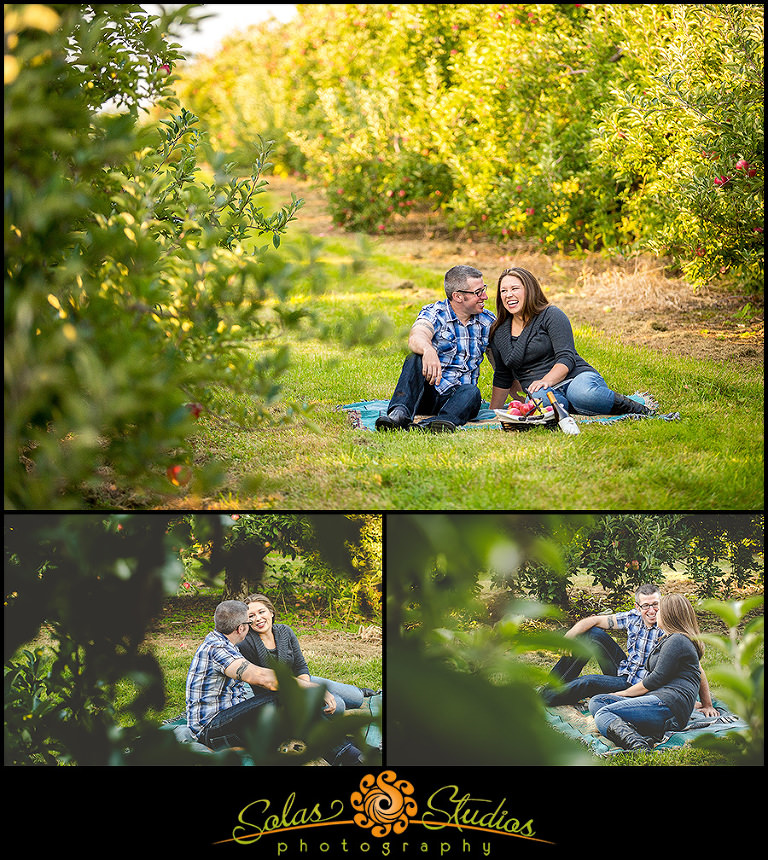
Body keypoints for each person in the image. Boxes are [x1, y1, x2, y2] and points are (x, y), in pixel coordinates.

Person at [185, 599, 364, 764]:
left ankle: (347, 749)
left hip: (227, 720)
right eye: (249, 621)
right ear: (241, 628)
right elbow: (261, 678)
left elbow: (298, 667)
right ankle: (348, 756)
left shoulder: (221, 642)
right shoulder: (218, 649)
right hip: (211, 729)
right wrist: (311, 687)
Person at [488, 267, 654, 416]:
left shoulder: (551, 315)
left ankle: (636, 408)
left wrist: (546, 380)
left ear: (529, 290)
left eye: (514, 288)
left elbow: (566, 357)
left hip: (575, 378)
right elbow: (503, 375)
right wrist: (493, 413)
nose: (508, 294)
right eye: (503, 291)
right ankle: (576, 407)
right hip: (541, 390)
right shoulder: (499, 331)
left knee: (582, 394)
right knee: (544, 405)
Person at [541, 583, 716, 717]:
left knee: (588, 682)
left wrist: (707, 704)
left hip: (640, 685)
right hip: (625, 670)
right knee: (592, 634)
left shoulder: (669, 628)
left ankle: (543, 699)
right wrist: (570, 634)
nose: (652, 610)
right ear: (637, 607)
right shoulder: (633, 617)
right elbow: (593, 620)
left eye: (655, 604)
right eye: (645, 606)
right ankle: (553, 685)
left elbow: (696, 668)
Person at [375, 264, 496, 433]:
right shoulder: (435, 313)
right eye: (478, 292)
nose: (485, 296)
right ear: (458, 296)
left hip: (460, 399)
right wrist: (428, 350)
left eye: (484, 289)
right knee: (415, 357)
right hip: (428, 392)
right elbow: (416, 336)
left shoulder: (488, 321)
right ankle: (399, 415)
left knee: (472, 391)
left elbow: (502, 365)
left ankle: (440, 422)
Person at [588, 593, 708, 751]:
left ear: (668, 615)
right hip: (661, 702)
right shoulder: (672, 639)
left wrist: (622, 694)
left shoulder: (677, 640)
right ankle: (641, 733)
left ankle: (638, 744)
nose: (655, 613)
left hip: (669, 706)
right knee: (597, 701)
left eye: (659, 610)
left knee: (603, 713)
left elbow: (655, 680)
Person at [238, 593, 380, 718]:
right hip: (277, 695)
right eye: (251, 616)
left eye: (262, 612)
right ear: (247, 621)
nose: (258, 618)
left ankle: (354, 693)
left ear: (271, 612)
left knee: (356, 698)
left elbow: (300, 666)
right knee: (338, 706)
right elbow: (263, 684)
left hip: (302, 681)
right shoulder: (246, 644)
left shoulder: (285, 632)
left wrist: (307, 686)